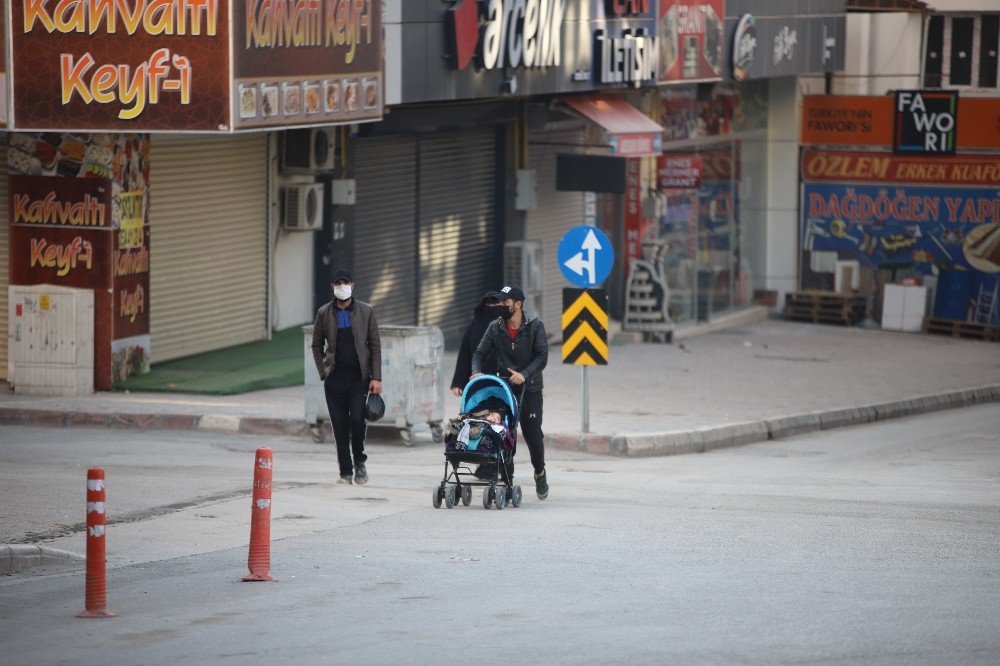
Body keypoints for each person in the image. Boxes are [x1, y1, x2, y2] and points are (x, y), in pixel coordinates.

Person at [471, 284, 549, 500]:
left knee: (533, 435)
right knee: (507, 433)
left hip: (530, 387)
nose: (501, 306)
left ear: (518, 304)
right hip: (505, 389)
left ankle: (540, 472)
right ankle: (508, 480)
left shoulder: (535, 326)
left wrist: (524, 374)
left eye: (506, 302)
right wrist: (476, 371)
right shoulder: (495, 327)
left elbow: (542, 357)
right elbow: (479, 352)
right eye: (500, 302)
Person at [311, 269, 382, 485]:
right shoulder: (324, 313)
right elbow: (316, 344)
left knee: (357, 420)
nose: (341, 287)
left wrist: (376, 377)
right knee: (339, 425)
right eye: (337, 284)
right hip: (334, 380)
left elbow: (375, 345)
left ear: (352, 285)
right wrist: (323, 371)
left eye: (345, 283)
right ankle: (345, 472)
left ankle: (360, 461)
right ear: (332, 287)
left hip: (359, 378)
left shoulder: (365, 311)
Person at [450, 291, 501, 397]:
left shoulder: (508, 328)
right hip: (477, 381)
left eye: (495, 305)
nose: (491, 308)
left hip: (503, 382)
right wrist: (458, 382)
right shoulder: (473, 328)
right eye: (489, 305)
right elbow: (464, 355)